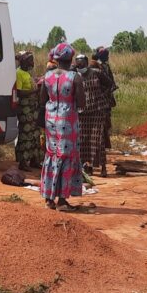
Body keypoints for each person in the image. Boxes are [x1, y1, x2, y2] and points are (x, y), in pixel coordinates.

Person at [38, 43, 86, 212]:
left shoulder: (48, 76)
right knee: (66, 156)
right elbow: (81, 103)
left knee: (52, 155)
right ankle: (62, 201)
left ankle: (48, 199)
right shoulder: (75, 77)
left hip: (50, 120)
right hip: (67, 121)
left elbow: (42, 100)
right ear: (71, 58)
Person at [75, 54, 113, 177]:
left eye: (81, 64)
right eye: (77, 64)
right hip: (82, 112)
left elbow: (110, 84)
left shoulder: (97, 73)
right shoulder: (76, 76)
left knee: (98, 139)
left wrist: (101, 96)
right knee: (83, 140)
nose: (79, 66)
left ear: (86, 63)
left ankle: (103, 167)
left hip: (97, 110)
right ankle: (87, 166)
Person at [13, 51, 44, 171]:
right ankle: (22, 162)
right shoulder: (19, 73)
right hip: (25, 108)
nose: (33, 62)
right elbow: (19, 92)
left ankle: (34, 160)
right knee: (25, 134)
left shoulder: (27, 73)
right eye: (30, 60)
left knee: (35, 134)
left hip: (32, 108)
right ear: (24, 61)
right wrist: (35, 91)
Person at [94, 46, 118, 152]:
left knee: (105, 122)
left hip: (102, 99)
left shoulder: (102, 66)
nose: (107, 57)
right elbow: (109, 83)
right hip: (102, 99)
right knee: (103, 122)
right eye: (106, 55)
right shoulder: (100, 67)